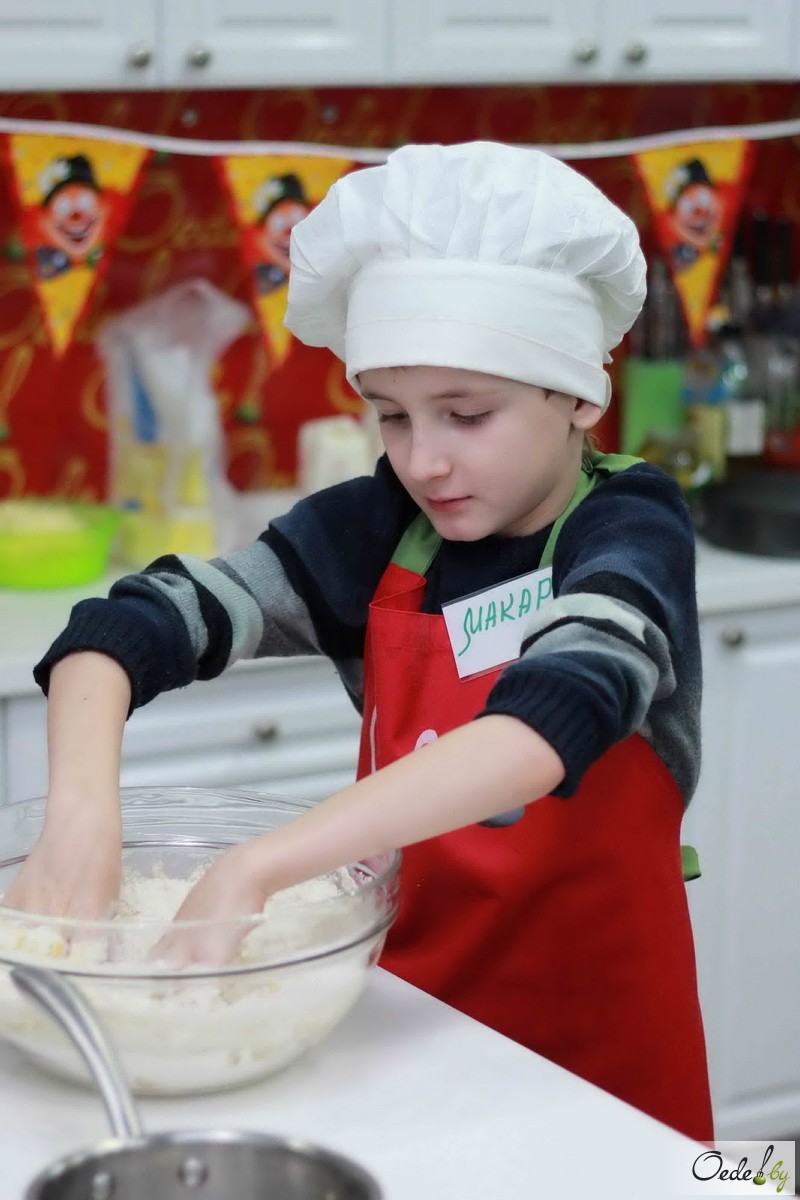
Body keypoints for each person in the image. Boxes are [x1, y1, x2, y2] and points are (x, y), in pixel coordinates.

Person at [5, 142, 713, 1143]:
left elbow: (548, 722)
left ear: (577, 396)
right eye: (390, 415)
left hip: (595, 1046)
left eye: (466, 414)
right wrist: (81, 815)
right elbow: (125, 626)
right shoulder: (381, 527)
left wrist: (260, 866)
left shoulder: (628, 528)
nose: (423, 459)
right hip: (403, 1024)